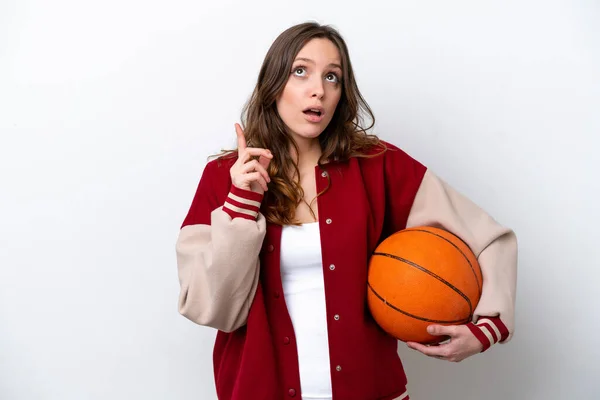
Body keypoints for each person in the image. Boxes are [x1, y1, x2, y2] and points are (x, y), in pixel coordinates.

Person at [175, 22, 517, 400]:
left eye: (332, 76)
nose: (318, 89)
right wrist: (242, 202)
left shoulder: (378, 166)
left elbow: (490, 238)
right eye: (300, 71)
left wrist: (488, 328)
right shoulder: (225, 177)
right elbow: (212, 309)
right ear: (273, 84)